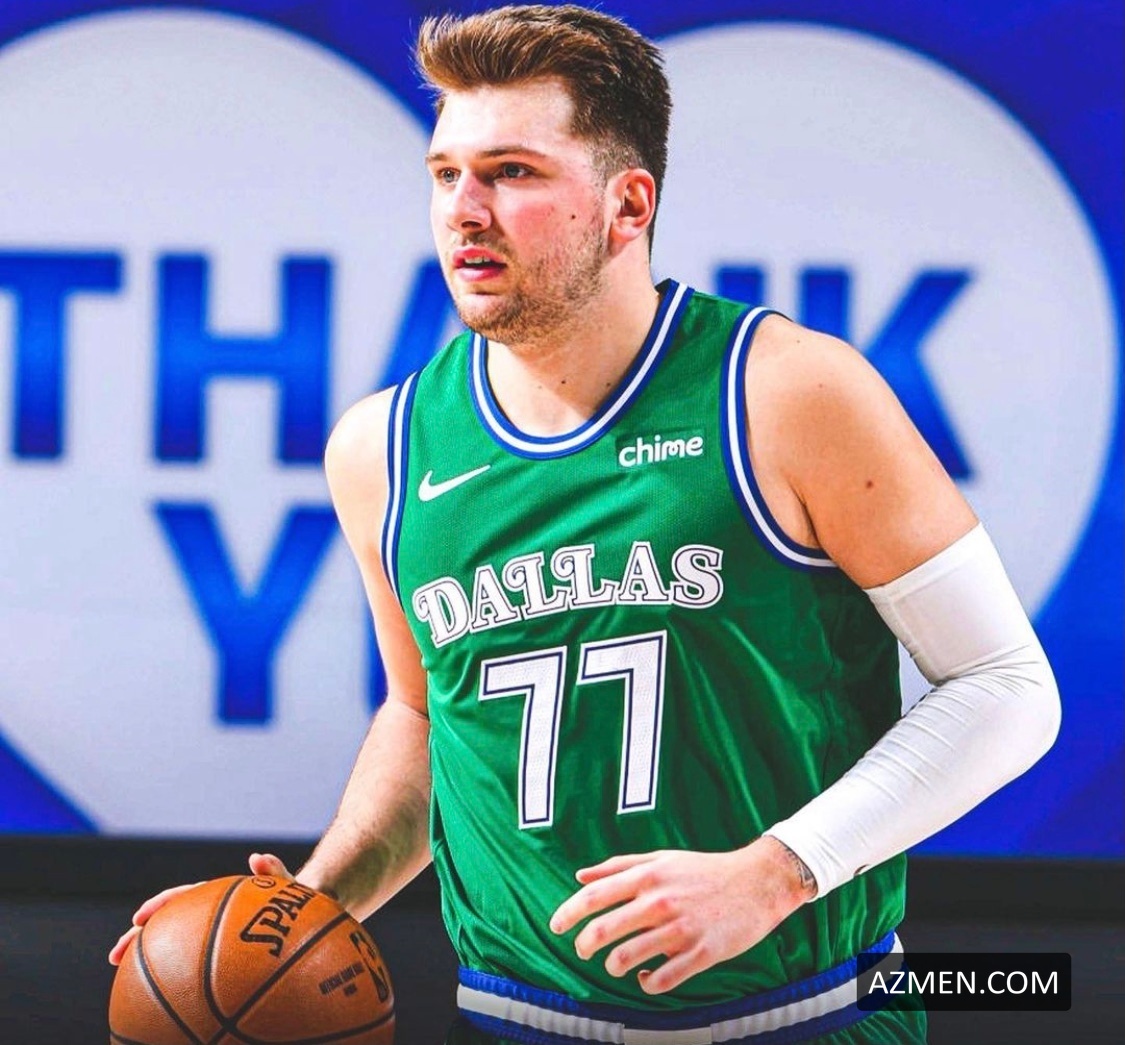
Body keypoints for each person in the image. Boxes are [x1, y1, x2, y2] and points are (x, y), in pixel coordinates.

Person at [110, 6, 1061, 1043]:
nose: (464, 210)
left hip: (804, 1013)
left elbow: (1006, 686)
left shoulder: (785, 392)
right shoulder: (380, 449)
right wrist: (302, 908)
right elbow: (425, 717)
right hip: (511, 1018)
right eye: (445, 174)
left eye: (512, 173)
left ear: (626, 204)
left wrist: (777, 872)